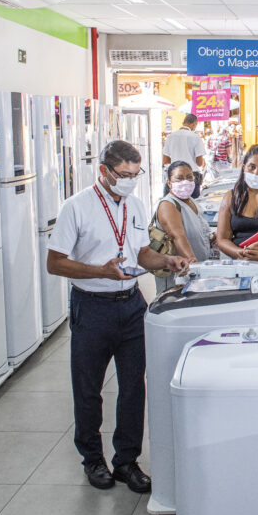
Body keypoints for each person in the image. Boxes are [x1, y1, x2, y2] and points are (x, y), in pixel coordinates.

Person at [46, 140, 188, 492]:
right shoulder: (76, 207)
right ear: (104, 171)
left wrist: (166, 261)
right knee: (89, 387)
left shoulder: (136, 206)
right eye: (123, 175)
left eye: (135, 174)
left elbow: (141, 255)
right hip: (91, 306)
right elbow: (55, 263)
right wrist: (99, 272)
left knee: (133, 387)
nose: (129, 181)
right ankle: (92, 459)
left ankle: (127, 461)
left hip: (131, 305)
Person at [153, 161, 213, 294]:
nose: (185, 182)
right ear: (169, 183)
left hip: (196, 275)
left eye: (189, 177)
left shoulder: (193, 202)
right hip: (179, 276)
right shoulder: (168, 205)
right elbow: (177, 236)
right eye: (179, 178)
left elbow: (203, 233)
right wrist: (194, 265)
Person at [162, 113, 207, 198]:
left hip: (175, 175)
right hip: (191, 175)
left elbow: (165, 160)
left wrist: (176, 160)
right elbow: (199, 163)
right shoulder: (196, 137)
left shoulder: (170, 137)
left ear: (183, 122)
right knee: (193, 205)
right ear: (194, 124)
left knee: (174, 204)